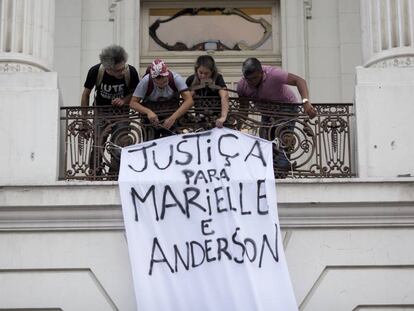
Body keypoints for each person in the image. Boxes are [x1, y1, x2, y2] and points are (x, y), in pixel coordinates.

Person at [237, 57, 317, 175]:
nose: (251, 82)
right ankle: (270, 170)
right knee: (264, 138)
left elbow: (299, 81)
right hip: (267, 111)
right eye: (248, 79)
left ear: (261, 72)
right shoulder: (242, 85)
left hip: (287, 108)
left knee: (284, 137)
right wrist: (236, 125)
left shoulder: (273, 74)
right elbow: (244, 109)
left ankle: (281, 172)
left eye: (254, 78)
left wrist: (305, 101)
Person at [81, 44, 139, 177]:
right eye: (118, 70)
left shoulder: (131, 72)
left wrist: (124, 100)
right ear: (108, 69)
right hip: (101, 112)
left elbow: (136, 93)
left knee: (119, 143)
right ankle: (95, 173)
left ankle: (114, 174)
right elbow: (85, 94)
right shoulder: (96, 71)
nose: (123, 72)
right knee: (98, 143)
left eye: (123, 67)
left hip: (121, 113)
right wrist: (84, 120)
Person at [130, 58, 193, 139]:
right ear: (153, 79)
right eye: (159, 84)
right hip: (151, 118)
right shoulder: (145, 81)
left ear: (167, 74)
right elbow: (133, 103)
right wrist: (148, 112)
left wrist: (172, 118)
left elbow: (189, 100)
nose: (163, 85)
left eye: (165, 82)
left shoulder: (176, 78)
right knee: (151, 142)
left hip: (172, 112)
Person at [186, 55, 229, 128]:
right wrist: (193, 91)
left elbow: (225, 96)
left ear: (212, 72)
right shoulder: (191, 80)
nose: (203, 76)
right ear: (196, 69)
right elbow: (186, 100)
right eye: (200, 72)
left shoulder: (218, 78)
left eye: (206, 73)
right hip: (199, 119)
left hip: (216, 118)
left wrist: (223, 117)